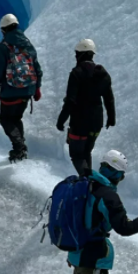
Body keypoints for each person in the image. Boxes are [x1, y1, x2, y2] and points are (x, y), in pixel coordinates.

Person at [57, 39, 116, 175]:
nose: (76, 56)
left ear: (81, 54)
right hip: (96, 123)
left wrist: (61, 120)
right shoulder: (103, 75)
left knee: (77, 155)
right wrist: (111, 118)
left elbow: (70, 101)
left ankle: (87, 183)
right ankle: (88, 182)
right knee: (86, 152)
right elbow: (109, 99)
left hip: (79, 124)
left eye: (77, 53)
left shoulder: (76, 73)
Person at [0, 14, 42, 162]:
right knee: (16, 118)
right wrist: (37, 88)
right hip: (27, 90)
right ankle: (21, 147)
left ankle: (19, 147)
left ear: (4, 30)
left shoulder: (4, 46)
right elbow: (37, 68)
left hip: (10, 91)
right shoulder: (28, 44)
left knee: (5, 119)